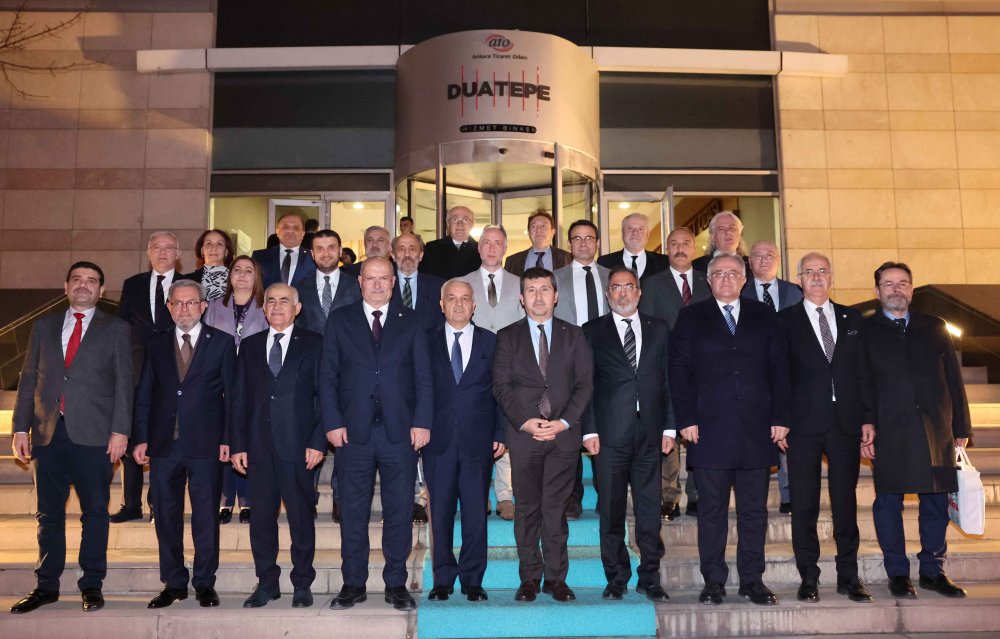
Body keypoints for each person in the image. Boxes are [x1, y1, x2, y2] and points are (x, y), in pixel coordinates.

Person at [668, 253, 790, 606]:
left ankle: (753, 580)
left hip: (757, 428)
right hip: (708, 429)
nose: (726, 278)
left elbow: (780, 369)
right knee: (711, 512)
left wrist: (781, 417)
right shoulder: (691, 316)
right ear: (708, 281)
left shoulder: (764, 315)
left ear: (744, 279)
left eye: (733, 273)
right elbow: (678, 370)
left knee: (754, 512)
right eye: (719, 273)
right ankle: (713, 581)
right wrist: (685, 419)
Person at [10, 262, 132, 614]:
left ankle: (91, 584)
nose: (83, 285)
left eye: (91, 281)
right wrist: (20, 428)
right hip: (47, 435)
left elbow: (125, 384)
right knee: (48, 514)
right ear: (65, 287)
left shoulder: (117, 329)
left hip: (95, 436)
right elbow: (29, 378)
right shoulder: (43, 326)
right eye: (77, 279)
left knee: (95, 512)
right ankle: (46, 585)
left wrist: (121, 431)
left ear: (101, 291)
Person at [322, 257, 433, 612]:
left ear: (393, 282)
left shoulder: (412, 320)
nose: (377, 284)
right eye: (370, 278)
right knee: (353, 512)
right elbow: (327, 376)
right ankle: (353, 583)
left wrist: (422, 421)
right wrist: (332, 422)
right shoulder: (340, 319)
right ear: (359, 282)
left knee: (399, 510)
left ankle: (396, 583)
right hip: (352, 433)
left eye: (384, 278)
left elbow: (424, 377)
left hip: (400, 432)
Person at [864, 261, 972, 600]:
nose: (896, 289)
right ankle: (897, 573)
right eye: (888, 283)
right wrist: (865, 426)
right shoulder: (865, 331)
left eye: (902, 283)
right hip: (889, 429)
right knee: (888, 502)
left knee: (937, 501)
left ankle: (932, 571)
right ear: (877, 291)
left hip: (935, 428)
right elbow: (860, 384)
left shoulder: (935, 326)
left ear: (911, 289)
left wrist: (961, 425)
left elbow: (953, 378)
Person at [131, 279, 236, 609]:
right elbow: (145, 393)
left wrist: (228, 439)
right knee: (166, 516)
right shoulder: (156, 342)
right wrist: (141, 437)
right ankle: (174, 582)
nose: (184, 309)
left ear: (203, 307)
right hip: (164, 443)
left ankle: (204, 582)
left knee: (206, 516)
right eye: (177, 303)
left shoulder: (222, 342)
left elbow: (232, 397)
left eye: (191, 303)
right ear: (169, 307)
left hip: (207, 443)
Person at [777, 252, 874, 604]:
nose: (816, 276)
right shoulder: (784, 320)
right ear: (799, 279)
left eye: (822, 271)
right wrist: (780, 420)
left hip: (845, 423)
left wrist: (868, 417)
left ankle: (849, 576)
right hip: (802, 425)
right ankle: (809, 576)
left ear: (831, 277)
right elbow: (778, 375)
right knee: (804, 504)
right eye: (809, 272)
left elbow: (863, 370)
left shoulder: (852, 317)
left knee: (845, 503)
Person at [493, 267, 594, 603]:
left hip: (563, 436)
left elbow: (584, 384)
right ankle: (529, 579)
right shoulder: (507, 336)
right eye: (531, 290)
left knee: (555, 510)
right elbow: (501, 386)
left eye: (544, 290)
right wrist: (525, 421)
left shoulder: (574, 335)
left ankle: (556, 579)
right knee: (526, 510)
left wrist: (564, 422)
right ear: (522, 299)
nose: (538, 296)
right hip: (524, 436)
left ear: (556, 295)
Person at [230, 283, 327, 609]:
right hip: (258, 447)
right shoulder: (250, 345)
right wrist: (237, 443)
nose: (277, 306)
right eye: (271, 301)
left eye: (284, 301)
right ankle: (267, 582)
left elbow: (324, 396)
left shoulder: (313, 343)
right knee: (261, 520)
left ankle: (302, 583)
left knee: (300, 517)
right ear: (264, 308)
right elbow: (239, 398)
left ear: (297, 309)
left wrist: (318, 441)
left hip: (298, 447)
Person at [582, 267, 672, 603]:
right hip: (608, 436)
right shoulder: (592, 331)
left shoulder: (659, 329)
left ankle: (650, 576)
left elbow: (667, 380)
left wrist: (670, 427)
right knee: (611, 511)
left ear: (639, 292)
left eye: (629, 286)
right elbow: (586, 385)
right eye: (616, 287)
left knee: (649, 512)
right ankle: (616, 577)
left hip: (650, 432)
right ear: (608, 294)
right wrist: (589, 430)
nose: (623, 292)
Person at [424, 279, 505, 602]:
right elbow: (418, 388)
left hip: (478, 441)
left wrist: (500, 433)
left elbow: (500, 391)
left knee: (475, 514)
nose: (458, 304)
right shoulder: (425, 341)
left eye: (465, 299)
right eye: (452, 298)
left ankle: (473, 579)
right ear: (441, 304)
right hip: (437, 441)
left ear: (474, 305)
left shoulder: (491, 342)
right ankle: (442, 579)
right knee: (440, 513)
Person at [639, 227, 708, 520]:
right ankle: (669, 498)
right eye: (674, 244)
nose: (680, 248)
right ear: (666, 249)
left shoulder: (708, 281)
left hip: (704, 372)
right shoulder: (652, 284)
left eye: (686, 243)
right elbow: (648, 327)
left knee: (701, 435)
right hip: (666, 368)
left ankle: (698, 494)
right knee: (668, 434)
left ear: (695, 248)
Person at [293, 229, 361, 522]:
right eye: (319, 248)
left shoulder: (356, 285)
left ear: (340, 250)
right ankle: (307, 496)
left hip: (348, 372)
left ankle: (340, 497)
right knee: (310, 432)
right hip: (308, 373)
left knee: (343, 438)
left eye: (331, 247)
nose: (325, 253)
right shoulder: (299, 287)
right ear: (311, 254)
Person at [113, 231, 180, 523]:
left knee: (163, 436)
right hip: (136, 367)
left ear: (178, 253)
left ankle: (157, 503)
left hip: (173, 367)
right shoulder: (133, 284)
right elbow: (121, 326)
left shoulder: (188, 284)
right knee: (131, 434)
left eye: (168, 248)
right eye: (157, 247)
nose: (162, 252)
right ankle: (131, 504)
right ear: (148, 252)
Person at [461, 224, 523, 521]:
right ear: (479, 247)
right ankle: (480, 493)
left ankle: (505, 495)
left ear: (505, 248)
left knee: (506, 426)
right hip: (473, 365)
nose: (491, 247)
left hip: (510, 365)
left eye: (498, 243)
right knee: (478, 427)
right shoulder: (463, 282)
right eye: (486, 242)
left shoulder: (520, 283)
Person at [204, 256, 269, 524]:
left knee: (246, 437)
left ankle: (247, 498)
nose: (242, 274)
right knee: (223, 439)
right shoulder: (214, 306)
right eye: (237, 270)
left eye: (248, 270)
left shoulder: (266, 306)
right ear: (229, 276)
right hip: (219, 379)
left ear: (256, 276)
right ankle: (225, 498)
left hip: (253, 380)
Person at [741, 239, 803, 515]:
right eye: (757, 255)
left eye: (770, 255)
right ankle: (756, 500)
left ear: (778, 260)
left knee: (787, 437)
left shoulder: (795, 292)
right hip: (752, 377)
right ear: (749, 261)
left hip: (790, 374)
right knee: (758, 440)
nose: (764, 259)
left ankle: (789, 495)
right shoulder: (740, 292)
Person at [553, 219, 609, 519]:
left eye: (589, 237)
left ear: (597, 242)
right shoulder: (555, 279)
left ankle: (606, 493)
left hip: (608, 362)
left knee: (605, 426)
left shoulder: (612, 277)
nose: (584, 243)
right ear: (569, 244)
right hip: (568, 362)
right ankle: (571, 497)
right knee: (570, 426)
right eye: (577, 238)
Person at [391, 233, 445, 333]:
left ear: (420, 255)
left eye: (412, 249)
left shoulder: (438, 287)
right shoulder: (383, 285)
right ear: (393, 256)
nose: (407, 254)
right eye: (401, 249)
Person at [251, 212, 316, 287]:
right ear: (277, 231)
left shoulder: (313, 258)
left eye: (296, 228)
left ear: (303, 234)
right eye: (285, 227)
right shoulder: (259, 257)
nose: (290, 231)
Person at [596, 212, 669, 280]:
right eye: (630, 228)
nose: (635, 233)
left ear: (647, 234)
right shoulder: (604, 263)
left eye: (640, 229)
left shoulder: (664, 262)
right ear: (622, 233)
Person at [420, 206, 482, 280]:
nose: (460, 224)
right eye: (455, 219)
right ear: (448, 223)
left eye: (465, 220)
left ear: (472, 224)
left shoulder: (481, 250)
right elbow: (424, 278)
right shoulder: (432, 248)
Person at [504, 211, 572, 276]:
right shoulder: (512, 261)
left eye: (543, 226)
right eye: (534, 226)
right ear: (529, 233)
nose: (539, 230)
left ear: (552, 232)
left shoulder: (567, 258)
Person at [690, 210, 751, 277]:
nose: (727, 232)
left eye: (732, 228)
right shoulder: (695, 267)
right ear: (713, 236)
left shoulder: (752, 265)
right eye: (721, 229)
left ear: (739, 234)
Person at [184, 229, 234, 301]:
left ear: (226, 251)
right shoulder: (188, 280)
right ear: (202, 250)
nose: (214, 248)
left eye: (219, 244)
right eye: (208, 243)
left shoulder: (237, 278)